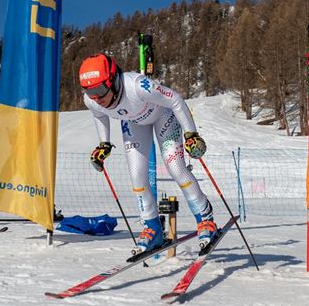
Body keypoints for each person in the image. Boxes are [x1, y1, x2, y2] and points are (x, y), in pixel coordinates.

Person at [78, 53, 216, 252]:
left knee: (176, 168)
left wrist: (191, 134)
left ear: (113, 80)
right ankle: (153, 229)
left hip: (163, 116)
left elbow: (175, 100)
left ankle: (205, 219)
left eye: (99, 89)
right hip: (134, 124)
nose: (96, 98)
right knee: (137, 178)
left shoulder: (137, 86)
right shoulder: (91, 100)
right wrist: (104, 144)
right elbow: (99, 115)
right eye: (89, 91)